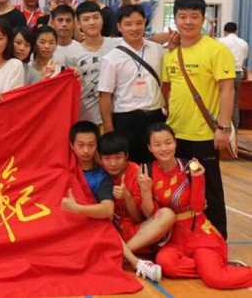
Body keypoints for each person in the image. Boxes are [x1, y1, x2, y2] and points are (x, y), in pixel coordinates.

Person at [161, 0, 235, 239]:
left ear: (203, 19)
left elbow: (227, 89)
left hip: (204, 135)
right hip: (175, 134)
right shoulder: (171, 52)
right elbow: (168, 89)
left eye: (194, 17)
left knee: (209, 190)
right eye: (182, 16)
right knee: (180, 190)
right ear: (175, 19)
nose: (188, 22)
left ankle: (217, 240)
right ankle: (185, 239)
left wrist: (223, 127)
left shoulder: (216, 50)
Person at [144, 123, 252, 289]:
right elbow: (149, 213)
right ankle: (210, 267)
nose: (164, 148)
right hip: (172, 237)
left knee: (216, 279)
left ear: (175, 143)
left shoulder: (190, 167)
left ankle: (215, 269)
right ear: (150, 148)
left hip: (198, 233)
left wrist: (198, 178)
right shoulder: (147, 171)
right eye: (157, 145)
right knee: (166, 264)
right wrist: (145, 190)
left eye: (168, 143)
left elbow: (197, 208)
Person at [60, 122, 163, 282]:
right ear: (71, 145)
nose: (86, 150)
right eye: (81, 145)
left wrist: (76, 208)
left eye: (90, 145)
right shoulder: (62, 170)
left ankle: (128, 258)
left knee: (104, 221)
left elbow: (128, 214)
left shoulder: (105, 176)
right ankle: (125, 257)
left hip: (117, 229)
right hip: (73, 226)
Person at [99, 132, 176, 277]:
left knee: (167, 214)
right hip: (109, 232)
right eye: (107, 158)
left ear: (126, 156)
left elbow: (138, 218)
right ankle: (126, 256)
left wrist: (126, 196)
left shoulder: (136, 172)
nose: (113, 163)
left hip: (136, 234)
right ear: (101, 158)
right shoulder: (99, 172)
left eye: (118, 157)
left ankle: (121, 254)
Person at [98, 5, 166, 164]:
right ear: (119, 26)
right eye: (128, 24)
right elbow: (104, 95)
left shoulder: (158, 50)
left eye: (139, 23)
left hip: (156, 117)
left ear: (145, 23)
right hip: (126, 120)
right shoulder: (112, 58)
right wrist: (109, 129)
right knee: (131, 166)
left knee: (157, 164)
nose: (134, 28)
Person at [64, 1, 120, 125]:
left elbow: (146, 41)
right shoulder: (72, 54)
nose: (92, 22)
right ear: (78, 24)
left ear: (102, 19)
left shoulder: (117, 45)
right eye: (86, 19)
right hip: (85, 119)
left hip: (115, 118)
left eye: (96, 17)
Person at [216, 21, 249, 127]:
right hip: (238, 73)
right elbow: (244, 57)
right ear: (237, 31)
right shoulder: (244, 43)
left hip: (223, 74)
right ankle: (235, 126)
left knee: (220, 100)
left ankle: (220, 126)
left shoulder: (220, 41)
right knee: (235, 103)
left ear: (225, 31)